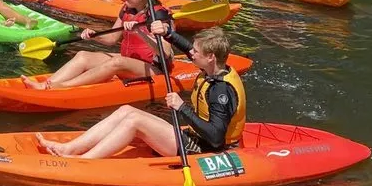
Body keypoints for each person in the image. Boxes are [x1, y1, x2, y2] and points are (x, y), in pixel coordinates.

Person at [37, 28, 246, 159]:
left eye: (196, 52)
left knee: (134, 121)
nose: (190, 53)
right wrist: (167, 33)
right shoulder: (212, 68)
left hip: (205, 149)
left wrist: (182, 108)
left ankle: (85, 161)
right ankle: (69, 149)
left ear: (210, 57)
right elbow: (187, 47)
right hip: (196, 137)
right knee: (126, 110)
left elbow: (217, 138)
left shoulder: (221, 91)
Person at [24, 0, 191, 90]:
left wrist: (139, 31)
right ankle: (47, 84)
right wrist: (95, 34)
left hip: (155, 69)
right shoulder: (127, 8)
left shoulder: (159, 16)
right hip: (130, 62)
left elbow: (166, 52)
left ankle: (64, 87)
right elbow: (111, 39)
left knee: (117, 61)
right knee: (83, 55)